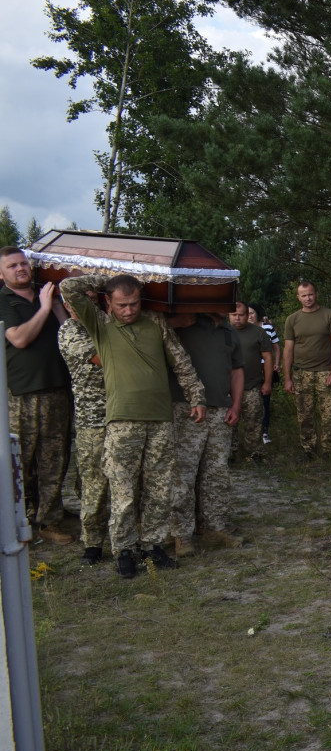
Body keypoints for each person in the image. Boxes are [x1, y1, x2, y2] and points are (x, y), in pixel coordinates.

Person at [60, 274, 205, 578]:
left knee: (159, 487)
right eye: (122, 305)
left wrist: (197, 397)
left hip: (160, 419)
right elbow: (67, 288)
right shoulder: (100, 326)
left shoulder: (155, 322)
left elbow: (180, 360)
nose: (129, 310)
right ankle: (124, 550)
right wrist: (104, 280)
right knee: (123, 489)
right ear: (107, 303)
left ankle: (152, 546)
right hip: (122, 421)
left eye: (134, 303)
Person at [0, 247, 74, 545]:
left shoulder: (47, 296)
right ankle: (21, 519)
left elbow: (69, 331)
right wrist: (44, 308)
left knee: (54, 460)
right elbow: (19, 338)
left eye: (23, 264)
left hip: (57, 389)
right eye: (12, 266)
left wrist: (55, 304)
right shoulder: (4, 301)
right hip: (21, 395)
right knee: (21, 462)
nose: (21, 269)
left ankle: (49, 520)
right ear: (1, 273)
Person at [168, 312, 245, 555]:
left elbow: (237, 370)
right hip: (186, 408)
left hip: (221, 410)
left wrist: (236, 404)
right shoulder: (184, 322)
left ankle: (214, 528)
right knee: (184, 471)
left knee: (217, 472)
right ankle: (181, 533)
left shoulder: (229, 331)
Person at [58, 299, 110, 565]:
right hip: (93, 419)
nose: (85, 304)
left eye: (91, 298)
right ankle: (92, 543)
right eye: (78, 300)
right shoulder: (71, 331)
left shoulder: (109, 325)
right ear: (68, 305)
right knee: (93, 484)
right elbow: (106, 359)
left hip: (123, 414)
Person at [282, 282, 331, 459]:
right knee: (304, 415)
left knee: (329, 415)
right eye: (304, 295)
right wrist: (288, 378)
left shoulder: (329, 315)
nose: (308, 298)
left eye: (310, 294)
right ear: (298, 297)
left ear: (316, 294)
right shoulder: (292, 319)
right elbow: (288, 350)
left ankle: (329, 451)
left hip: (325, 372)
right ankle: (308, 449)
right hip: (301, 373)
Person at [230, 301, 272, 462]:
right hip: (227, 387)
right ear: (229, 316)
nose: (238, 318)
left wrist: (267, 382)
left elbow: (268, 358)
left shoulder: (258, 333)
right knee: (228, 422)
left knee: (254, 419)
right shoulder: (223, 332)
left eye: (241, 315)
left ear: (248, 315)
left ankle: (253, 453)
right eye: (234, 315)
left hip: (252, 385)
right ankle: (230, 453)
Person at [249, 304, 279, 444]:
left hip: (265, 368)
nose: (250, 316)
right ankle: (251, 434)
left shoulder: (267, 328)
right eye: (247, 313)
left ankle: (264, 432)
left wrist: (276, 364)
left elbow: (276, 348)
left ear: (257, 314)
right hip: (249, 370)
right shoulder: (240, 330)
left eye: (252, 313)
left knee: (265, 401)